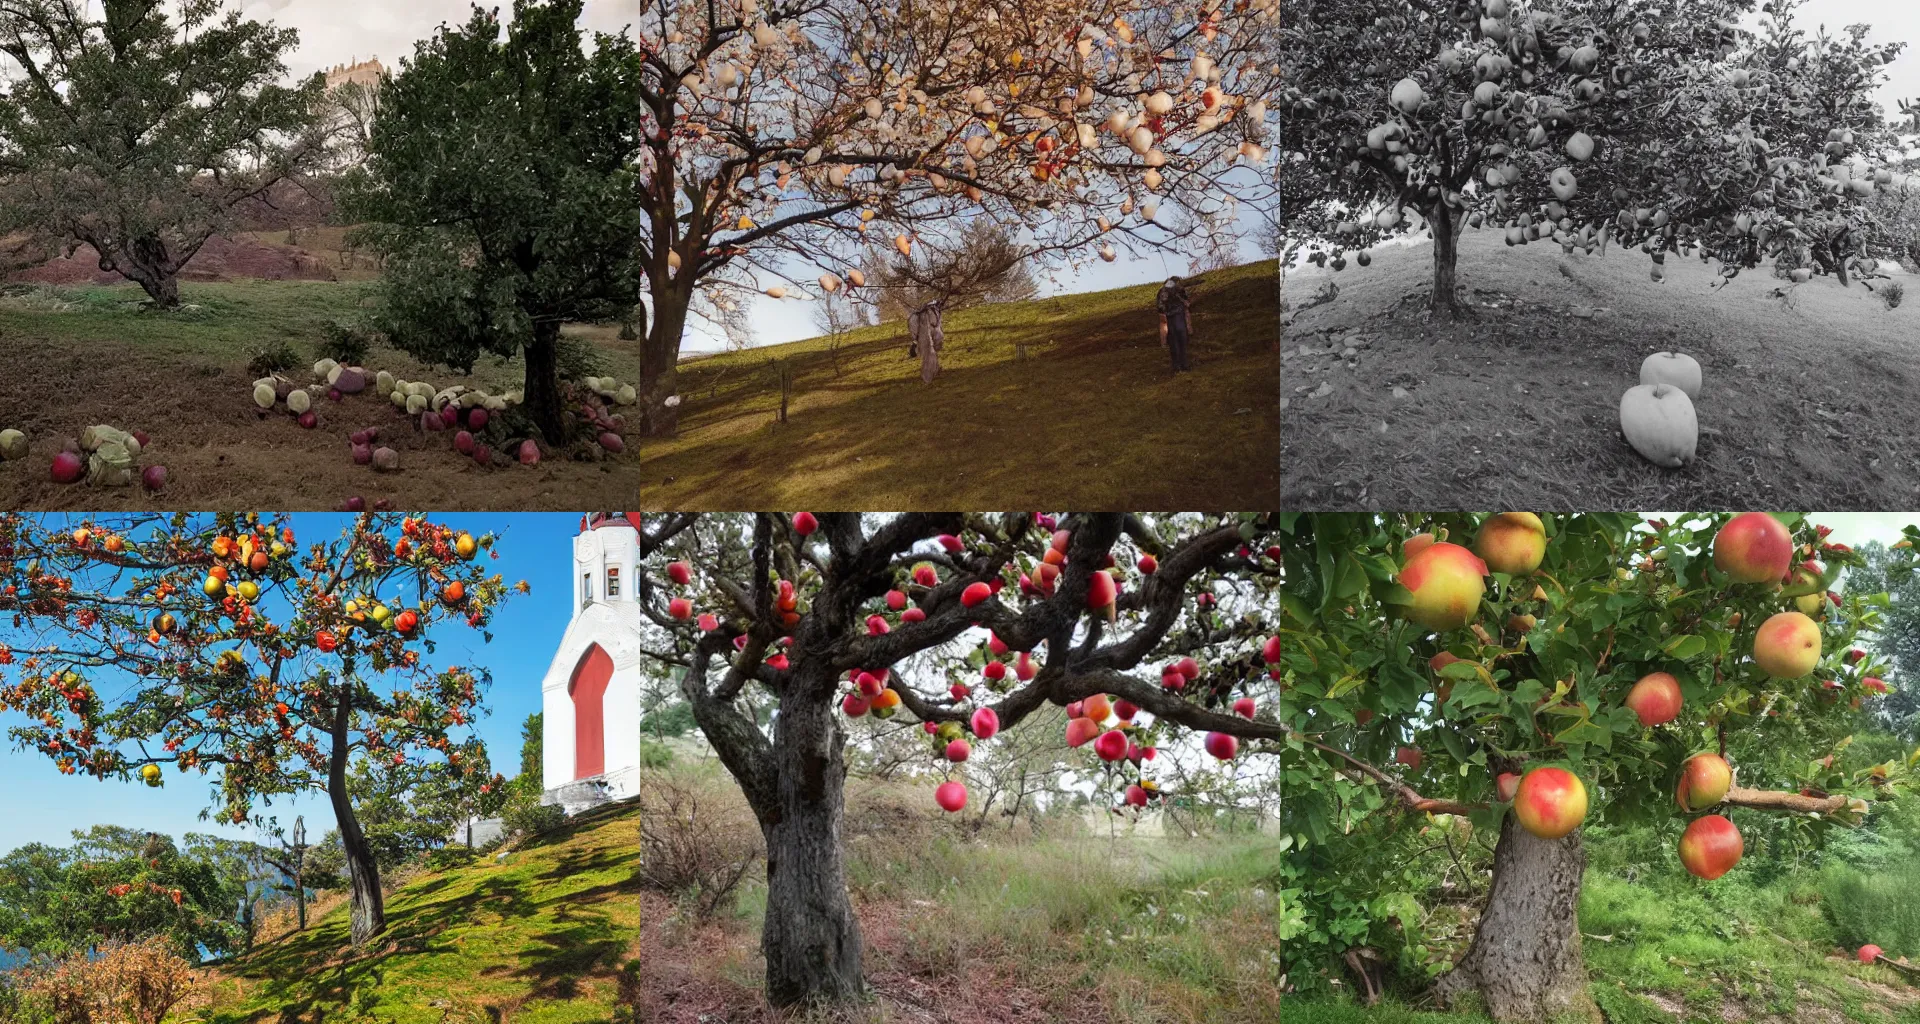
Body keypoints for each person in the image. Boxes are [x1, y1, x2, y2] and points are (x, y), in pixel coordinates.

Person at [1155, 276, 1193, 372]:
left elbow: (1159, 306)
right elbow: (1187, 300)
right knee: (1182, 342)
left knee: (1173, 343)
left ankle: (1176, 366)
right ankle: (1184, 364)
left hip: (1169, 319)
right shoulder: (1179, 289)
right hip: (1179, 317)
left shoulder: (1161, 291)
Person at [909, 297, 945, 383]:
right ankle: (929, 375)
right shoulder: (930, 314)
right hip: (924, 336)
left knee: (929, 353)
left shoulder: (921, 316)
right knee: (929, 353)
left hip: (923, 336)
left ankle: (931, 373)